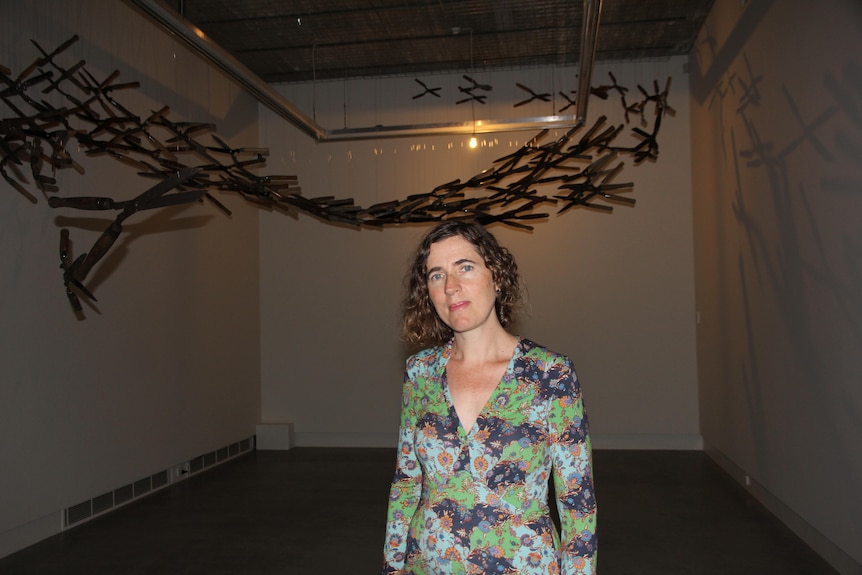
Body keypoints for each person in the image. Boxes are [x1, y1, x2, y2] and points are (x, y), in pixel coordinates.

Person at [382, 219, 597, 575]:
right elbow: (406, 484)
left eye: (464, 267)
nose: (451, 286)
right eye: (436, 275)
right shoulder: (420, 373)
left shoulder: (550, 375)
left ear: (496, 277)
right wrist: (392, 568)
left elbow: (578, 504)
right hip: (430, 564)